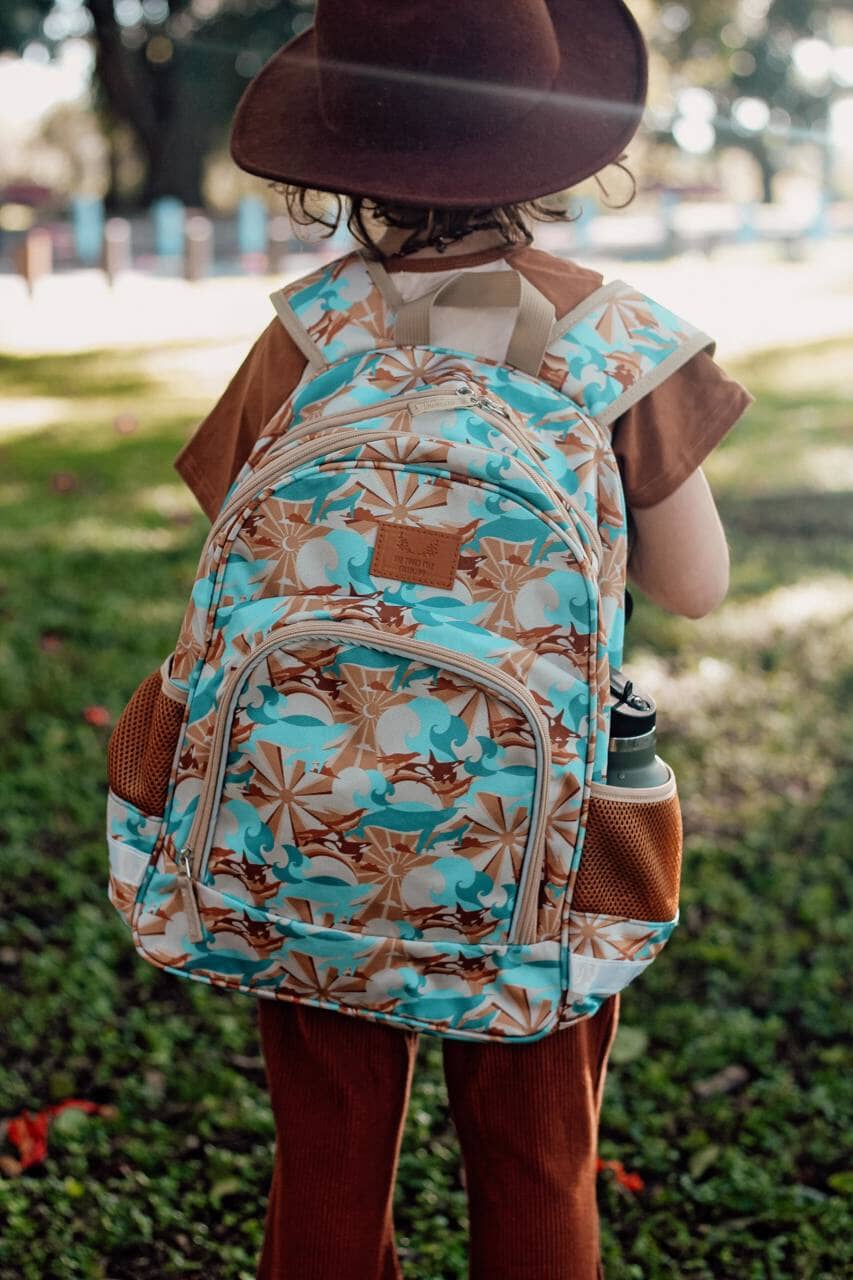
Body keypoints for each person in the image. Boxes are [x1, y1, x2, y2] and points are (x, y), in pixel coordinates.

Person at [172, 3, 753, 1276]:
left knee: (323, 1155)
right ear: (554, 147)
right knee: (539, 1160)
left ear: (343, 151)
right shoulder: (620, 340)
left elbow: (242, 546)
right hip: (533, 836)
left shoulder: (307, 336)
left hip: (306, 811)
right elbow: (697, 585)